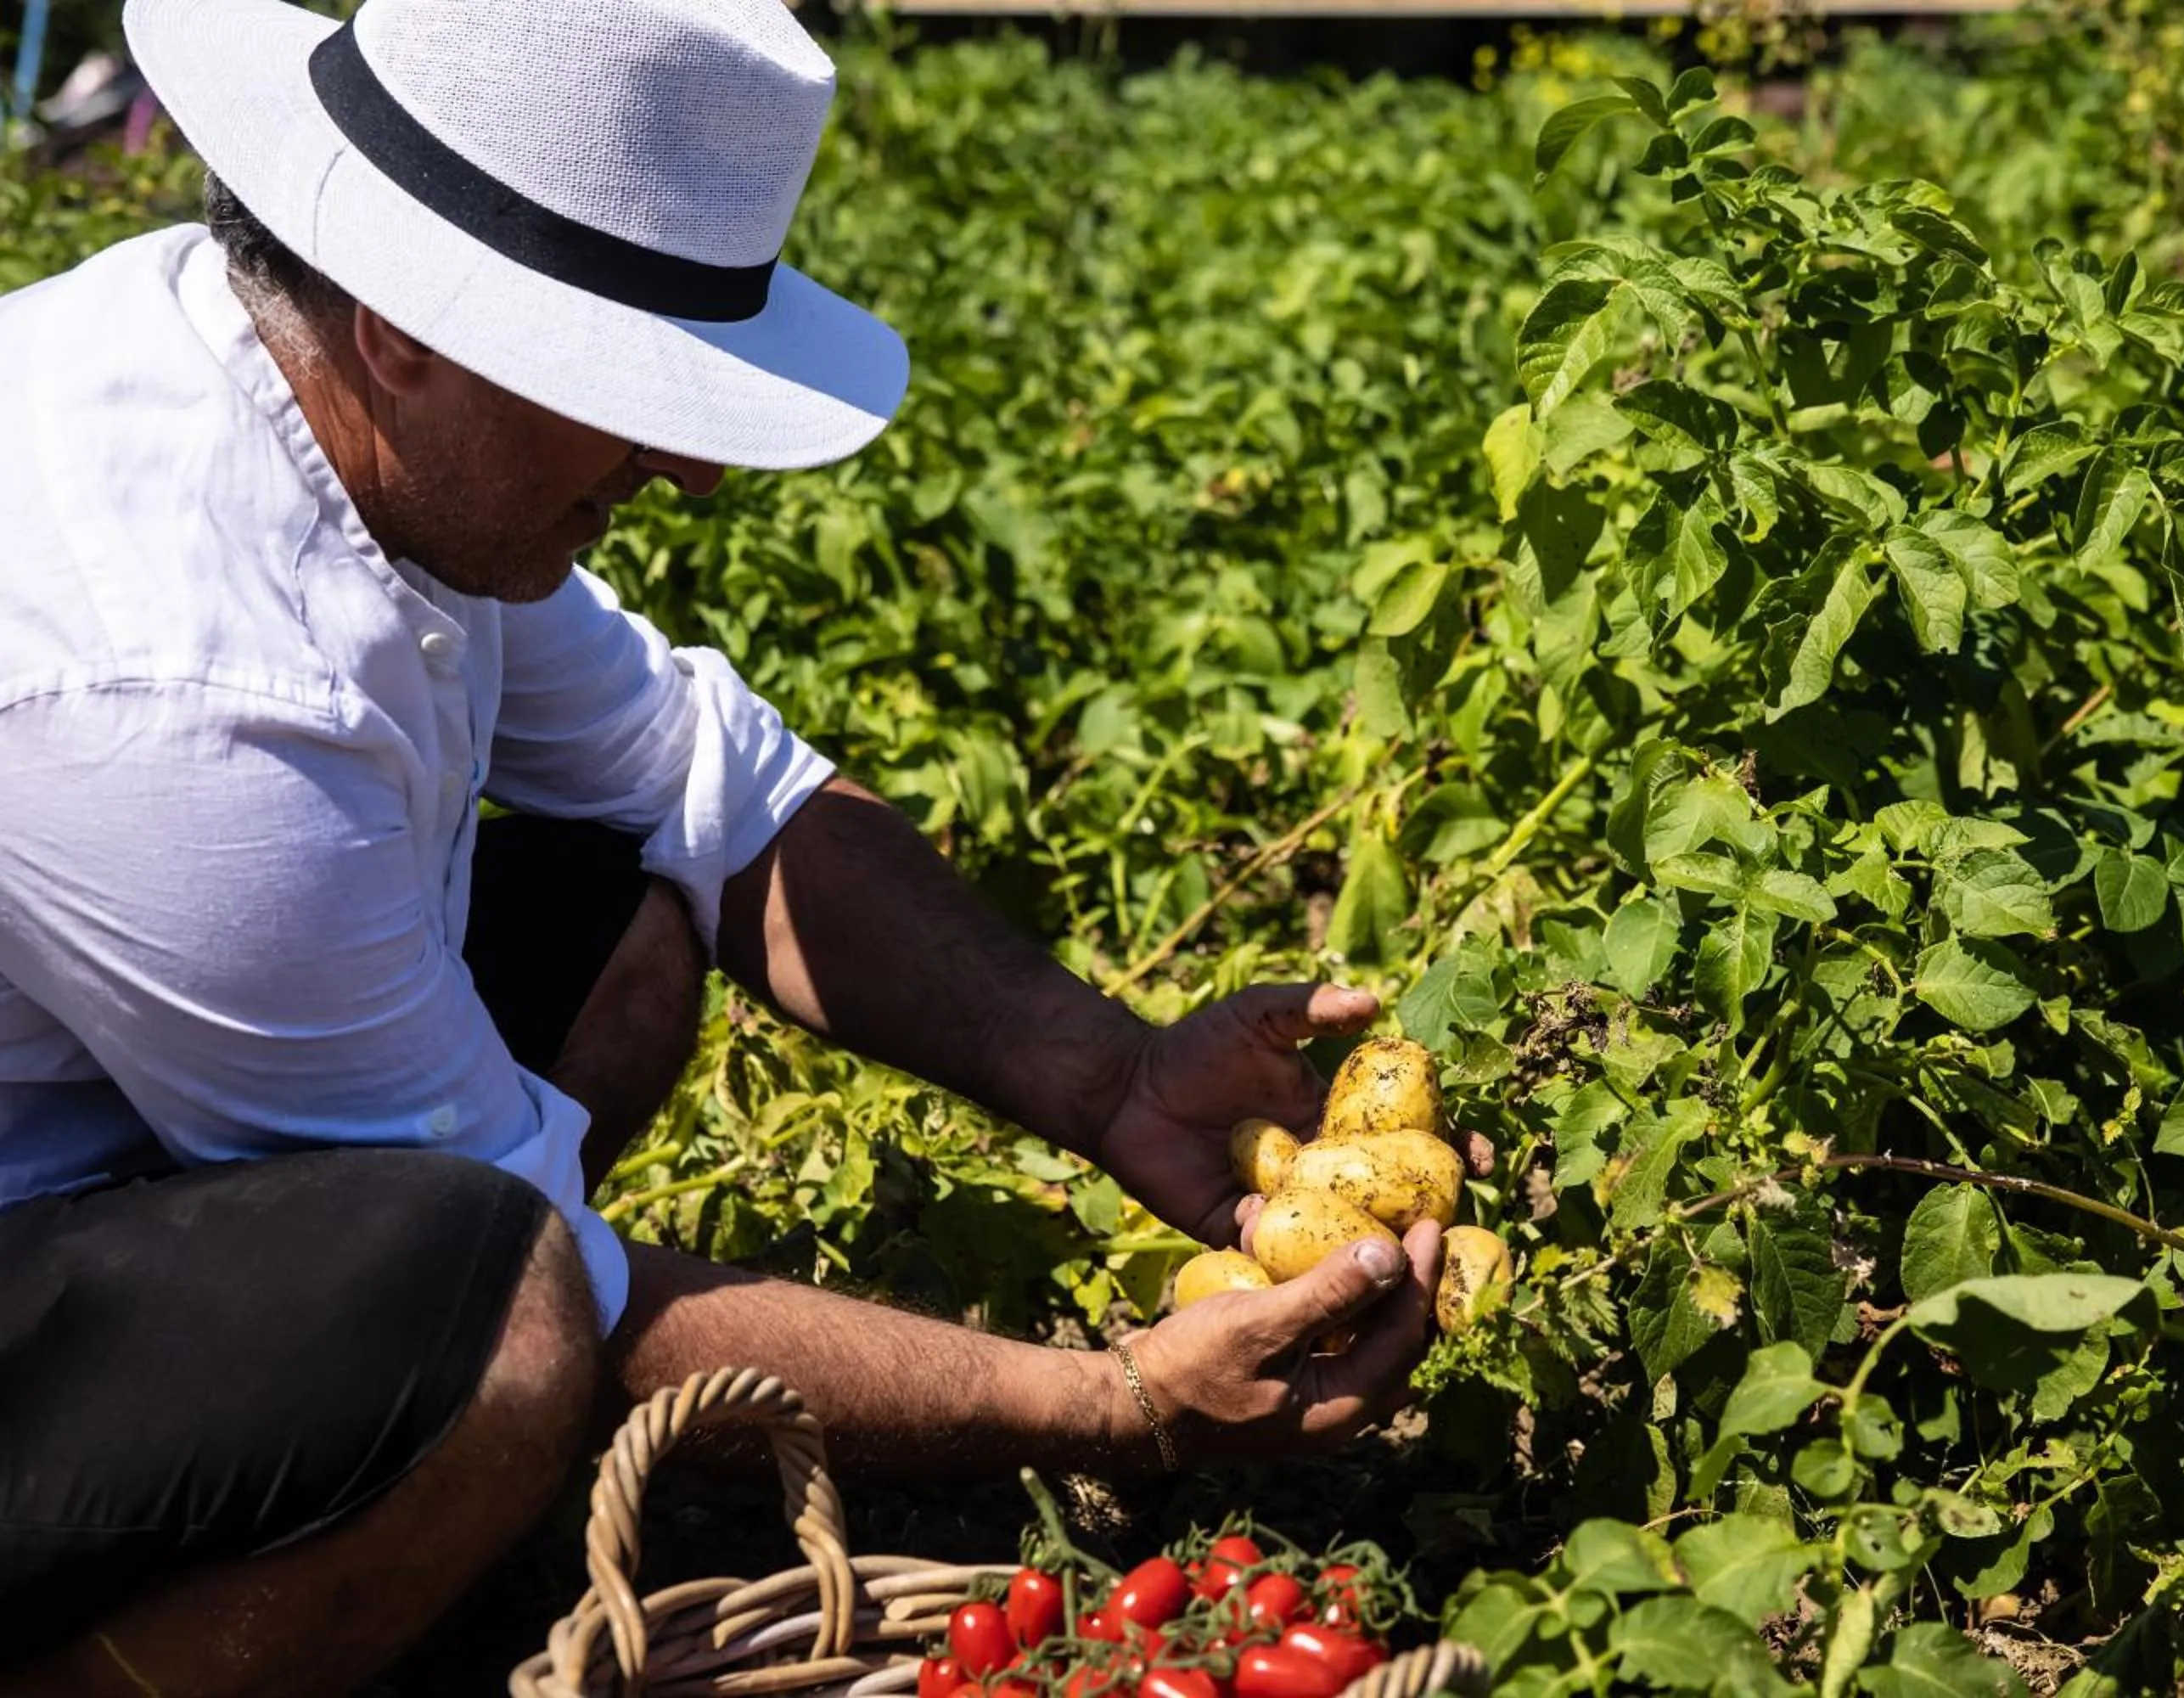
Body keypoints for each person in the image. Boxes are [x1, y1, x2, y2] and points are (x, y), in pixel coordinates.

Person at [0, 0, 1473, 1690]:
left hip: (85, 1165)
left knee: (619, 930)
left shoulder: (319, 407)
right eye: (622, 381)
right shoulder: (168, 679)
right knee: (510, 1323)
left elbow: (707, 780)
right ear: (405, 323)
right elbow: (570, 1286)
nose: (692, 468)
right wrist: (1119, 1400)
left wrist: (1112, 1077)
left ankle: (386, 1516)